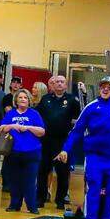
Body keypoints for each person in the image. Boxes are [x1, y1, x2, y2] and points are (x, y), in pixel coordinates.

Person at [58, 76, 110, 219]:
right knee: (93, 192)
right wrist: (65, 149)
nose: (106, 89)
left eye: (109, 87)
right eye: (103, 86)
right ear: (99, 88)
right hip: (94, 158)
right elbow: (76, 131)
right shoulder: (90, 108)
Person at [36, 74, 82, 210]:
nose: (59, 84)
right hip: (46, 140)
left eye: (62, 82)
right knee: (43, 171)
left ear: (66, 84)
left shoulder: (72, 100)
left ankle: (60, 200)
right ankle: (40, 198)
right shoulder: (45, 99)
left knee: (62, 172)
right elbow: (37, 116)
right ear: (53, 85)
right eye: (57, 82)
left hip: (63, 141)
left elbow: (78, 118)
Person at [0, 88, 46, 213]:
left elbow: (42, 131)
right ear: (16, 100)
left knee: (30, 181)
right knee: (14, 180)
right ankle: (14, 204)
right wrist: (12, 126)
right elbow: (1, 128)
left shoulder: (34, 114)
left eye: (25, 97)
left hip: (32, 151)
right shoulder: (11, 114)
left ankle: (32, 206)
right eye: (20, 97)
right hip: (13, 151)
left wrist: (28, 127)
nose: (23, 99)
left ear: (29, 100)